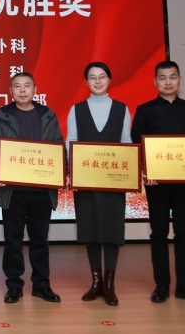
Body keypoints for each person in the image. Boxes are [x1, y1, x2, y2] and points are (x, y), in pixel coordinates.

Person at [131, 61, 185, 305]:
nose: (168, 82)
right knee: (159, 233)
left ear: (180, 80)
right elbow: (137, 145)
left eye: (172, 77)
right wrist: (145, 170)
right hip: (156, 184)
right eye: (162, 77)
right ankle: (162, 285)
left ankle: (184, 284)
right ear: (155, 81)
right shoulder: (144, 110)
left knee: (184, 233)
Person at [0, 72, 63, 304]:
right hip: (13, 191)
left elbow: (58, 147)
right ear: (10, 91)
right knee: (13, 240)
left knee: (40, 240)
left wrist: (63, 173)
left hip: (42, 191)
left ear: (35, 89)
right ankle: (14, 285)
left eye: (27, 86)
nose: (22, 90)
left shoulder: (48, 115)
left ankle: (41, 284)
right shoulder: (2, 116)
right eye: (17, 86)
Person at [65, 62, 131, 306]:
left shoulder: (122, 109)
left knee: (112, 231)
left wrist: (129, 173)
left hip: (113, 181)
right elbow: (70, 142)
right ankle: (96, 283)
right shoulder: (76, 109)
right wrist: (72, 173)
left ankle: (110, 285)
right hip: (86, 181)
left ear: (109, 79)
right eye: (92, 77)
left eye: (102, 76)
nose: (98, 81)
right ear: (86, 82)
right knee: (90, 230)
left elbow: (126, 142)